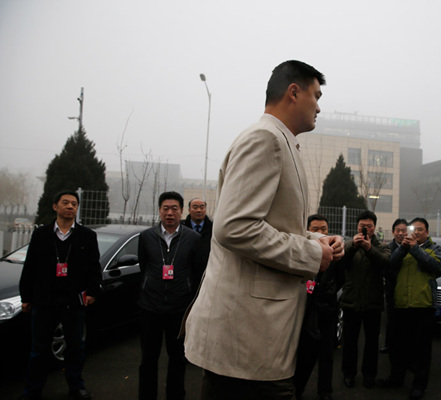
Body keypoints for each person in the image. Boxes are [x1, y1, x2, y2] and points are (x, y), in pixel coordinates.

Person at [183, 60, 344, 400]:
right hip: (246, 338)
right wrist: (312, 253)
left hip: (258, 337)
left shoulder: (282, 142)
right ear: (293, 92)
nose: (319, 107)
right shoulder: (264, 139)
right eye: (316, 96)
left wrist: (318, 239)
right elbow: (234, 227)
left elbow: (275, 225)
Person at [19, 190, 101, 400]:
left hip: (73, 302)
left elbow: (94, 267)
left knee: (75, 347)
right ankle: (32, 390)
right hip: (44, 301)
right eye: (65, 202)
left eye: (74, 203)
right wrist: (26, 297)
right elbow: (30, 267)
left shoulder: (87, 236)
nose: (70, 206)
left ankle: (76, 386)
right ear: (55, 206)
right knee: (39, 348)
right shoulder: (41, 234)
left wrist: (92, 292)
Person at [137, 191, 205, 400]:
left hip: (179, 308)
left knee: (177, 358)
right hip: (150, 307)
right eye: (165, 208)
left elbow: (197, 271)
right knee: (148, 359)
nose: (170, 213)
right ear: (159, 211)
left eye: (174, 208)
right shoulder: (146, 237)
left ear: (182, 211)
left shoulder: (193, 238)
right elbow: (144, 267)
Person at [379, 218, 441, 399]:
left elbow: (435, 267)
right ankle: (396, 378)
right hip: (401, 304)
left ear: (427, 233)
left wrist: (415, 249)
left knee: (422, 350)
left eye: (420, 229)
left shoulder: (434, 248)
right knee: (399, 347)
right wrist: (403, 248)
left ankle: (419, 385)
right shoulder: (403, 249)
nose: (416, 232)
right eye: (414, 229)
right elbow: (390, 265)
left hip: (423, 305)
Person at [293, 215, 344, 400]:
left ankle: (325, 391)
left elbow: (340, 279)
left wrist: (327, 292)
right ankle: (296, 390)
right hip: (304, 309)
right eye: (315, 229)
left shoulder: (335, 253)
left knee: (327, 354)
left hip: (327, 309)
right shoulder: (301, 250)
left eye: (324, 229)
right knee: (304, 353)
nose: (321, 233)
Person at [339, 210, 391, 389]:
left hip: (372, 301)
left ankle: (369, 375)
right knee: (349, 341)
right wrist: (353, 246)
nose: (366, 228)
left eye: (369, 226)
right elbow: (340, 262)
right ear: (357, 226)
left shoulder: (382, 246)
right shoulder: (349, 245)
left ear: (374, 227)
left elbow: (384, 263)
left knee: (371, 342)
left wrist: (369, 249)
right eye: (362, 225)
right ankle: (348, 374)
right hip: (351, 300)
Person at [381, 218, 408, 354]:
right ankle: (389, 345)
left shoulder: (411, 247)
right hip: (392, 287)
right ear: (393, 232)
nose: (400, 233)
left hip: (408, 288)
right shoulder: (388, 248)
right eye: (398, 230)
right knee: (391, 318)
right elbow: (386, 269)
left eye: (403, 230)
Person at [182, 198, 213, 271]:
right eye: (195, 207)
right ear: (189, 210)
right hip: (186, 270)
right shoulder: (181, 228)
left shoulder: (213, 228)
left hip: (207, 270)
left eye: (202, 207)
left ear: (205, 210)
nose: (199, 210)